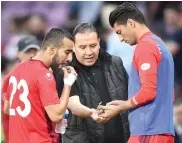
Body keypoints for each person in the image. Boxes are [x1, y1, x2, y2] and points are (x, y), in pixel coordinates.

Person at [98, 2, 175, 143]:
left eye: (119, 32)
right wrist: (126, 103)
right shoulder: (160, 45)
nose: (120, 39)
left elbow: (149, 91)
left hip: (149, 131)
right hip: (159, 129)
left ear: (131, 23)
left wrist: (122, 106)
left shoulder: (145, 46)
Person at [54, 22, 129, 143]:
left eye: (93, 45)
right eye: (82, 47)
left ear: (99, 42)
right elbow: (74, 105)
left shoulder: (116, 63)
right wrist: (91, 113)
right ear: (73, 46)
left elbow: (130, 97)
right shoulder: (65, 71)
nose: (89, 52)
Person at [3, 28, 77, 143]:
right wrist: (68, 83)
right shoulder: (44, 74)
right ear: (52, 49)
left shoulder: (18, 68)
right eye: (67, 52)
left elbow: (7, 109)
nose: (70, 58)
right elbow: (56, 116)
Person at [1, 35, 40, 143]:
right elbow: (7, 116)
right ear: (18, 54)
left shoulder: (47, 75)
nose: (32, 55)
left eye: (35, 51)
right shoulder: (10, 79)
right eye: (28, 51)